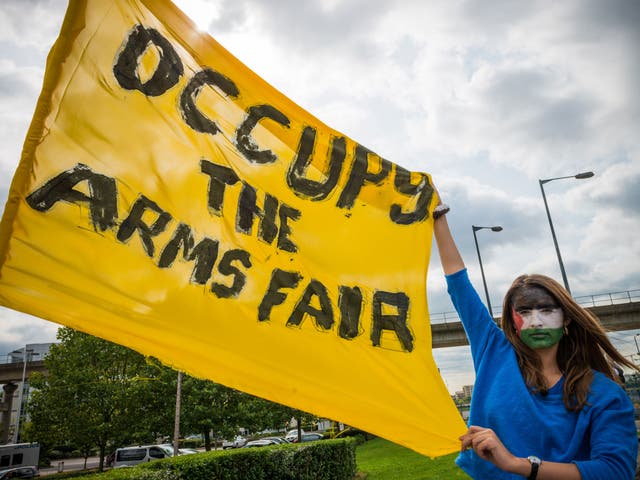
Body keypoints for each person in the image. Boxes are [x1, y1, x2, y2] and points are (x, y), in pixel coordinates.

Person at [432, 193, 639, 479]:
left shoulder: (604, 394)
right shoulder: (494, 351)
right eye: (525, 312)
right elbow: (458, 283)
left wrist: (518, 464)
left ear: (566, 317)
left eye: (546, 309)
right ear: (513, 323)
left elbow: (615, 471)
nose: (536, 321)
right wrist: (438, 216)